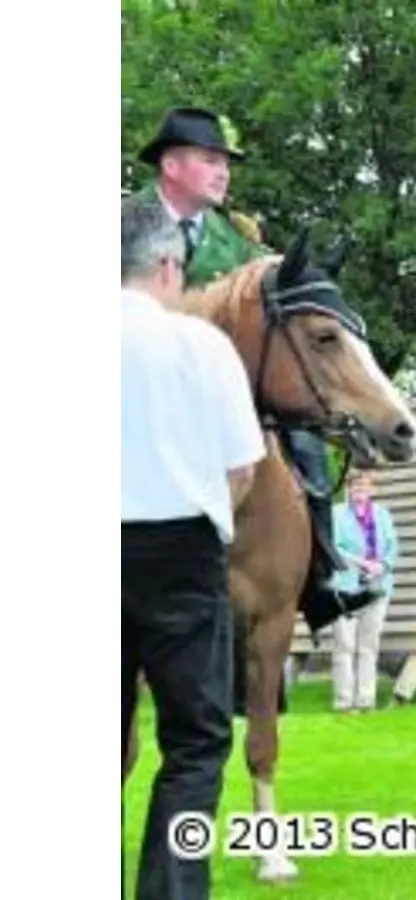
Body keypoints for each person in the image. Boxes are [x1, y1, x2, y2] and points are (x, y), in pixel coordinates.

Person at [131, 106, 360, 695]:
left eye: (225, 162)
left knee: (304, 438)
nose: (223, 172)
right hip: (140, 383)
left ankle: (322, 572)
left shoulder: (239, 239)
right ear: (171, 165)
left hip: (226, 388)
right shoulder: (124, 224)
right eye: (210, 160)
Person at [121, 194, 266, 899]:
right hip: (182, 550)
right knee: (195, 742)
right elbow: (242, 468)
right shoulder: (200, 345)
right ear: (168, 266)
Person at [329, 466, 400, 712]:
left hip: (376, 586)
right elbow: (333, 547)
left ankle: (366, 700)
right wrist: (361, 562)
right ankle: (343, 701)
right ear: (348, 488)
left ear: (373, 489)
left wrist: (382, 565)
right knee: (344, 645)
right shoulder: (336, 514)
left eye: (365, 485)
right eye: (355, 484)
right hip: (345, 587)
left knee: (369, 646)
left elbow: (393, 546)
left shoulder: (382, 515)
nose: (360, 489)